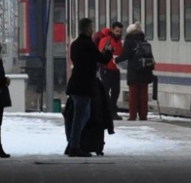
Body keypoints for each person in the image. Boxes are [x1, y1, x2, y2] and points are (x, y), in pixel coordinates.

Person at [65, 18, 113, 157]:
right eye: (91, 27)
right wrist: (108, 51)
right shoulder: (89, 44)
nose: (93, 29)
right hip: (84, 85)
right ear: (87, 29)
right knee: (81, 117)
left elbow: (80, 60)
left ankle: (72, 144)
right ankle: (74, 147)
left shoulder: (74, 44)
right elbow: (102, 59)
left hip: (75, 83)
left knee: (81, 116)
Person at [115, 22, 154, 121]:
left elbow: (125, 55)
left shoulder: (129, 41)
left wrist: (116, 60)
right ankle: (143, 115)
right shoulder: (144, 41)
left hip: (134, 72)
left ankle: (132, 115)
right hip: (145, 71)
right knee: (143, 95)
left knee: (133, 95)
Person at [98, 22, 124, 120]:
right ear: (112, 30)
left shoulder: (119, 42)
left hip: (115, 69)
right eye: (117, 31)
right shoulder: (106, 40)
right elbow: (101, 52)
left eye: (120, 31)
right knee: (106, 91)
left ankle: (112, 111)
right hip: (106, 69)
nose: (118, 33)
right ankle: (108, 111)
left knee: (116, 91)